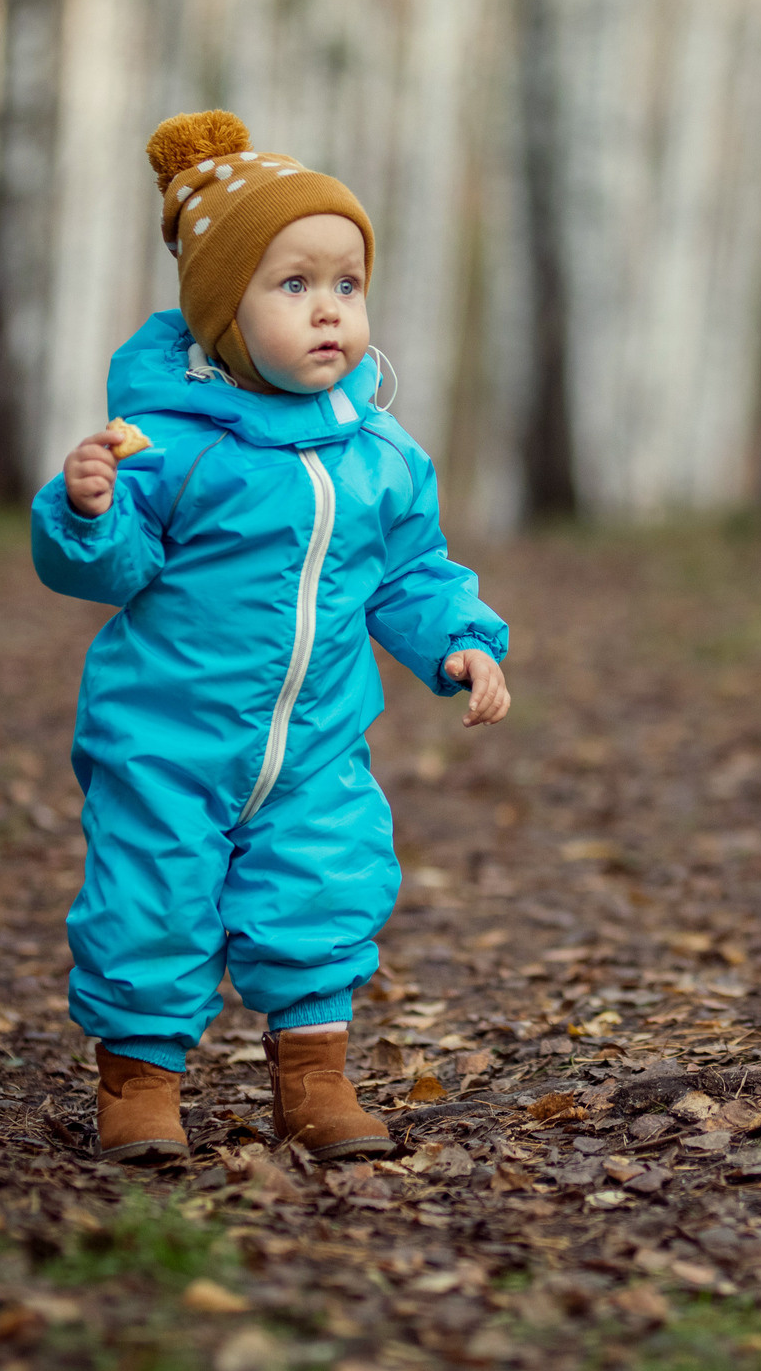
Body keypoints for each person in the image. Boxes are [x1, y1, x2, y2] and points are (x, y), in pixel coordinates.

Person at [31, 110, 510, 1163]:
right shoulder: (167, 446)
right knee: (151, 897)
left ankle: (316, 1082)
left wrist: (457, 642)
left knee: (324, 888)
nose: (329, 311)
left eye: (345, 283)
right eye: (291, 285)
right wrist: (88, 512)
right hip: (169, 735)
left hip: (315, 746)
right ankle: (141, 1085)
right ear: (222, 314)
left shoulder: (377, 451)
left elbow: (409, 570)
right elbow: (111, 570)